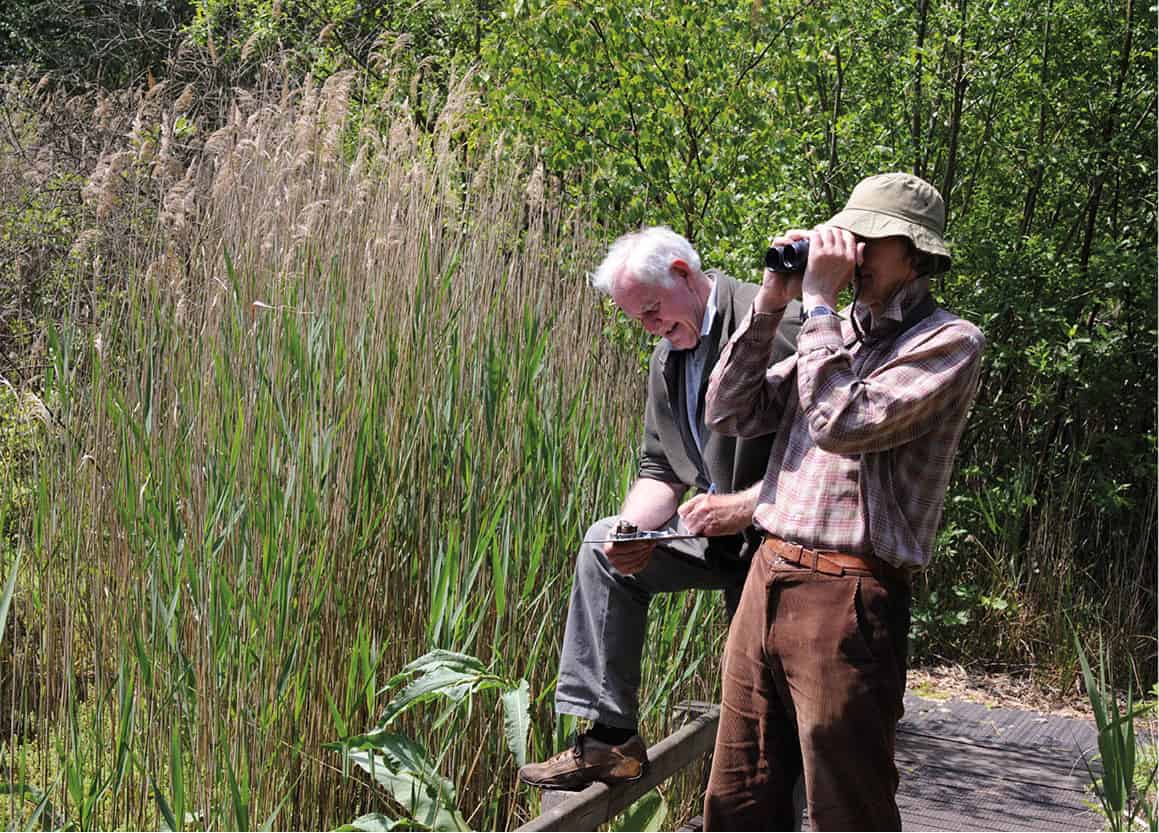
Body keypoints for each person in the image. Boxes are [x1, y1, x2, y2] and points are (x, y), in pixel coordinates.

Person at [701, 173, 984, 830]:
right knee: (738, 798)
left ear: (914, 254)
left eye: (867, 240)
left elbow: (840, 421)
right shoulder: (836, 331)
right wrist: (773, 302)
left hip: (847, 596)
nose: (850, 252)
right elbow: (727, 408)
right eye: (844, 235)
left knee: (845, 807)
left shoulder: (947, 342)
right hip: (765, 574)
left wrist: (818, 306)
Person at [517, 226, 801, 790]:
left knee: (773, 720)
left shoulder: (774, 323)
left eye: (651, 310)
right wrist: (632, 530)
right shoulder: (666, 356)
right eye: (637, 318)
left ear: (682, 272)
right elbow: (660, 470)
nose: (649, 326)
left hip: (784, 540)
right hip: (718, 538)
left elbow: (818, 461)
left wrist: (741, 508)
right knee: (603, 549)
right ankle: (611, 740)